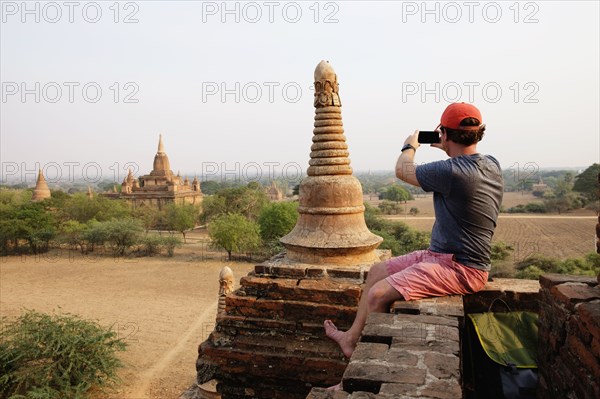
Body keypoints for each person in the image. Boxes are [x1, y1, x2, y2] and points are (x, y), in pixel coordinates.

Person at [324, 102, 504, 362]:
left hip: (463, 268)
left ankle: (368, 366)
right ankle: (350, 340)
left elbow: (402, 170)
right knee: (376, 271)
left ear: (443, 133)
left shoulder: (452, 171)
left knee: (378, 295)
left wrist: (411, 145)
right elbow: (463, 162)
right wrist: (447, 143)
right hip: (441, 256)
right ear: (478, 133)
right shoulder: (492, 164)